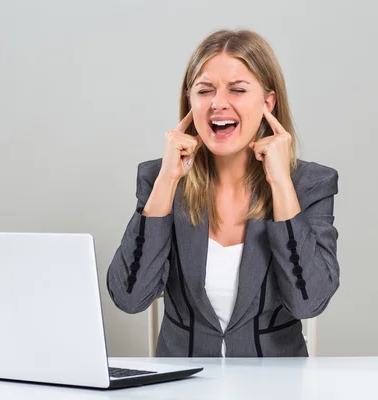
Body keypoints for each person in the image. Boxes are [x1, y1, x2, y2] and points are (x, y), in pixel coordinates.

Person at [107, 29, 340, 357]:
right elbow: (130, 298)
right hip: (183, 385)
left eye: (238, 89)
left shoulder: (309, 184)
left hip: (276, 385)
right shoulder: (159, 179)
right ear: (190, 101)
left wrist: (280, 184)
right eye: (205, 90)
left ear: (268, 103)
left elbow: (309, 302)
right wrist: (166, 181)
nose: (218, 104)